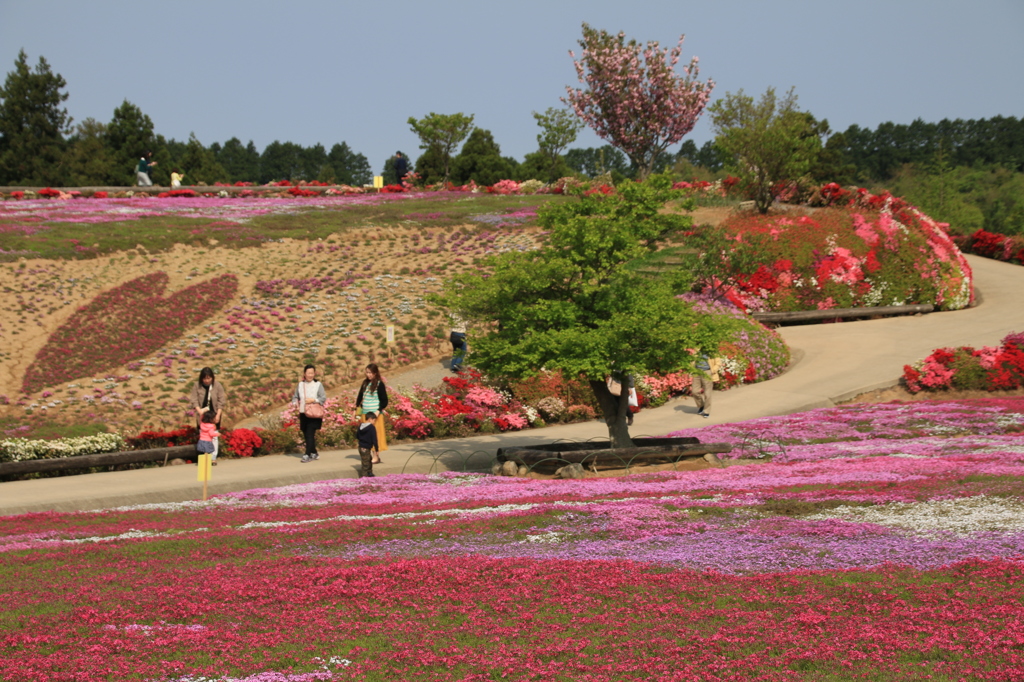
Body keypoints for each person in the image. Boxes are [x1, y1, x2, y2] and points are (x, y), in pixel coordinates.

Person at [355, 363, 388, 463]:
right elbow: (360, 397)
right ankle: (367, 455)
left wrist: (378, 411)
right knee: (366, 435)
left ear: (375, 373)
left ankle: (376, 456)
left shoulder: (379, 384)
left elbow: (384, 401)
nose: (368, 375)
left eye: (370, 373)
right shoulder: (365, 383)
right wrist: (355, 409)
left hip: (374, 415)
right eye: (367, 372)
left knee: (375, 435)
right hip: (365, 414)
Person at [189, 367, 227, 455]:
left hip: (214, 414)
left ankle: (213, 456)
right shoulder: (197, 385)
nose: (206, 380)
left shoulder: (217, 385)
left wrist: (218, 415)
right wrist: (199, 411)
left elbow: (221, 401)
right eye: (204, 378)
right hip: (202, 415)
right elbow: (194, 399)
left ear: (212, 377)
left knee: (214, 435)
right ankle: (205, 455)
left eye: (209, 378)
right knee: (203, 435)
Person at [293, 364, 326, 463]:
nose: (310, 375)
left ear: (314, 374)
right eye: (308, 373)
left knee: (310, 433)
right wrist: (295, 403)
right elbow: (295, 396)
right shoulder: (300, 385)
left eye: (312, 373)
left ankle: (307, 454)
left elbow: (323, 398)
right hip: (303, 412)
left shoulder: (318, 384)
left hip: (314, 413)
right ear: (304, 374)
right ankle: (314, 452)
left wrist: (313, 400)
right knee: (306, 433)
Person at [691, 353, 721, 418]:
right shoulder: (697, 349)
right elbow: (692, 360)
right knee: (695, 391)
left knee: (707, 394)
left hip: (707, 372)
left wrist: (712, 371)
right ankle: (701, 406)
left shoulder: (712, 350)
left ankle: (707, 411)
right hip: (697, 372)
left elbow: (718, 363)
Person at [357, 411, 379, 478]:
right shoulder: (371, 427)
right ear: (370, 419)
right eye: (374, 420)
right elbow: (374, 439)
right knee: (365, 463)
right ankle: (364, 476)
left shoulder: (360, 426)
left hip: (361, 446)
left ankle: (370, 472)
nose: (374, 422)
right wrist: (376, 449)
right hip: (366, 447)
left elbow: (357, 436)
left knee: (369, 459)